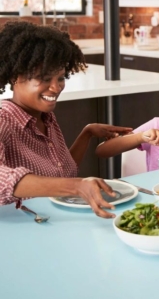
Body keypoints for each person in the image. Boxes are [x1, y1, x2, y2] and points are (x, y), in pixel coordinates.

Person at [0, 21, 133, 218]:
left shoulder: (47, 118)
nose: (56, 88)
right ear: (14, 77)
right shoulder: (4, 119)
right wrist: (77, 186)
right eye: (44, 78)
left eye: (61, 78)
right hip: (22, 228)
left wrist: (87, 133)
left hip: (52, 220)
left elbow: (62, 173)